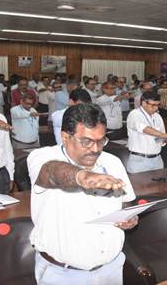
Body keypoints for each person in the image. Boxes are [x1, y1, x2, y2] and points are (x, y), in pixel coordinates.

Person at [27, 103, 137, 284]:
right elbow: (53, 172)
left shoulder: (113, 162)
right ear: (65, 137)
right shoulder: (42, 157)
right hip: (63, 274)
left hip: (111, 268)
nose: (95, 149)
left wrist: (129, 218)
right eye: (86, 141)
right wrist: (82, 176)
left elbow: (126, 203)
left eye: (101, 141)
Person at [126, 91, 167, 173]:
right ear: (144, 103)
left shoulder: (157, 116)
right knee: (138, 185)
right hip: (140, 161)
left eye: (157, 105)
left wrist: (166, 139)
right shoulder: (134, 114)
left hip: (157, 159)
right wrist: (163, 135)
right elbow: (144, 129)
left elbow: (159, 138)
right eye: (153, 105)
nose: (156, 108)